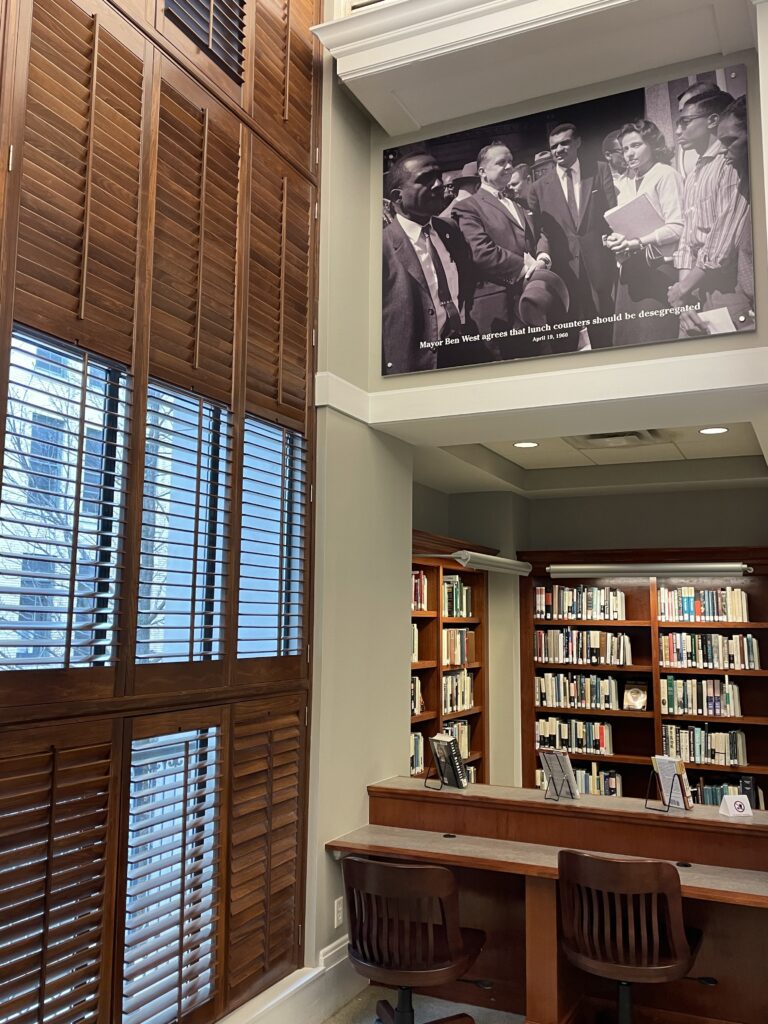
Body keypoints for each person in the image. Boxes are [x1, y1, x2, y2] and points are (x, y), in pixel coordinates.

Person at [451, 141, 554, 358]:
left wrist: (542, 257)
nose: (509, 167)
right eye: (501, 162)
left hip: (531, 303)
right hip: (498, 309)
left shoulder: (519, 204)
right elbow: (482, 251)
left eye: (510, 161)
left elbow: (539, 234)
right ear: (482, 171)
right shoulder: (468, 207)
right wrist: (528, 267)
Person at [382, 151, 476, 374]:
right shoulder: (381, 248)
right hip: (414, 367)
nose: (439, 184)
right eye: (425, 180)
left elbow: (467, 283)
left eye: (439, 176)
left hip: (462, 354)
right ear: (398, 197)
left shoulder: (449, 230)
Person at [528, 122, 618, 350]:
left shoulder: (599, 170)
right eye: (554, 146)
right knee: (565, 339)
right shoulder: (538, 188)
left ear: (577, 143)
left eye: (565, 143)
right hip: (562, 271)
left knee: (605, 335)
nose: (559, 150)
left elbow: (612, 213)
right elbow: (539, 231)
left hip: (599, 268)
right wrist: (543, 257)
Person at [604, 120, 684, 347]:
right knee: (627, 342)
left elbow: (678, 226)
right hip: (632, 272)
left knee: (654, 338)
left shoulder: (666, 175)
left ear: (652, 144)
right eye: (625, 148)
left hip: (659, 271)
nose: (629, 153)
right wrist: (616, 239)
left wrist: (638, 242)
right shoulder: (627, 182)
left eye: (636, 145)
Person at [668, 88, 746, 318]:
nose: (678, 130)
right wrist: (685, 298)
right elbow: (687, 238)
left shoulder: (730, 162)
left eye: (685, 122)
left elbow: (723, 238)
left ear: (712, 120)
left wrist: (684, 288)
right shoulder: (693, 173)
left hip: (728, 286)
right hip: (695, 288)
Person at [601, 129, 635, 206]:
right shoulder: (601, 180)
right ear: (608, 155)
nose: (628, 154)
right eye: (622, 151)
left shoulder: (638, 172)